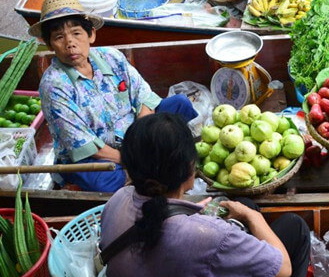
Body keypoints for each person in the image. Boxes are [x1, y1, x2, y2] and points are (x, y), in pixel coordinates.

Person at [99, 113, 311, 277]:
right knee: (295, 226)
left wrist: (190, 216)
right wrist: (250, 216)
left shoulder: (119, 199)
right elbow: (283, 269)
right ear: (189, 167)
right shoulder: (209, 236)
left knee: (241, 203)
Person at [30, 0, 198, 192]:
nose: (70, 43)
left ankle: (147, 164)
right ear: (50, 44)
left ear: (91, 34)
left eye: (76, 33)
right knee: (106, 181)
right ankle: (151, 164)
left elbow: (143, 98)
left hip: (135, 138)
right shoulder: (53, 86)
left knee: (181, 104)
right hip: (92, 155)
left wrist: (142, 141)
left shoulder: (111, 57)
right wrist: (132, 160)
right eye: (59, 37)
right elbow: (85, 144)